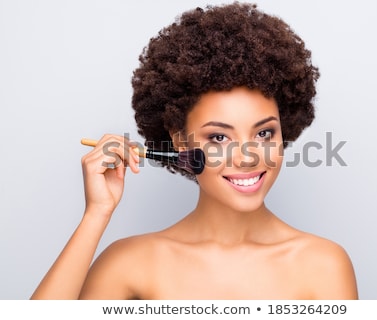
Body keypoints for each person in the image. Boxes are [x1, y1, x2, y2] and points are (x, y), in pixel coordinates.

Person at [31, 2, 358, 299]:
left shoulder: (323, 265)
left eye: (263, 133)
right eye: (219, 137)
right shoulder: (130, 264)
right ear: (180, 142)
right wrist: (96, 213)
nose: (247, 157)